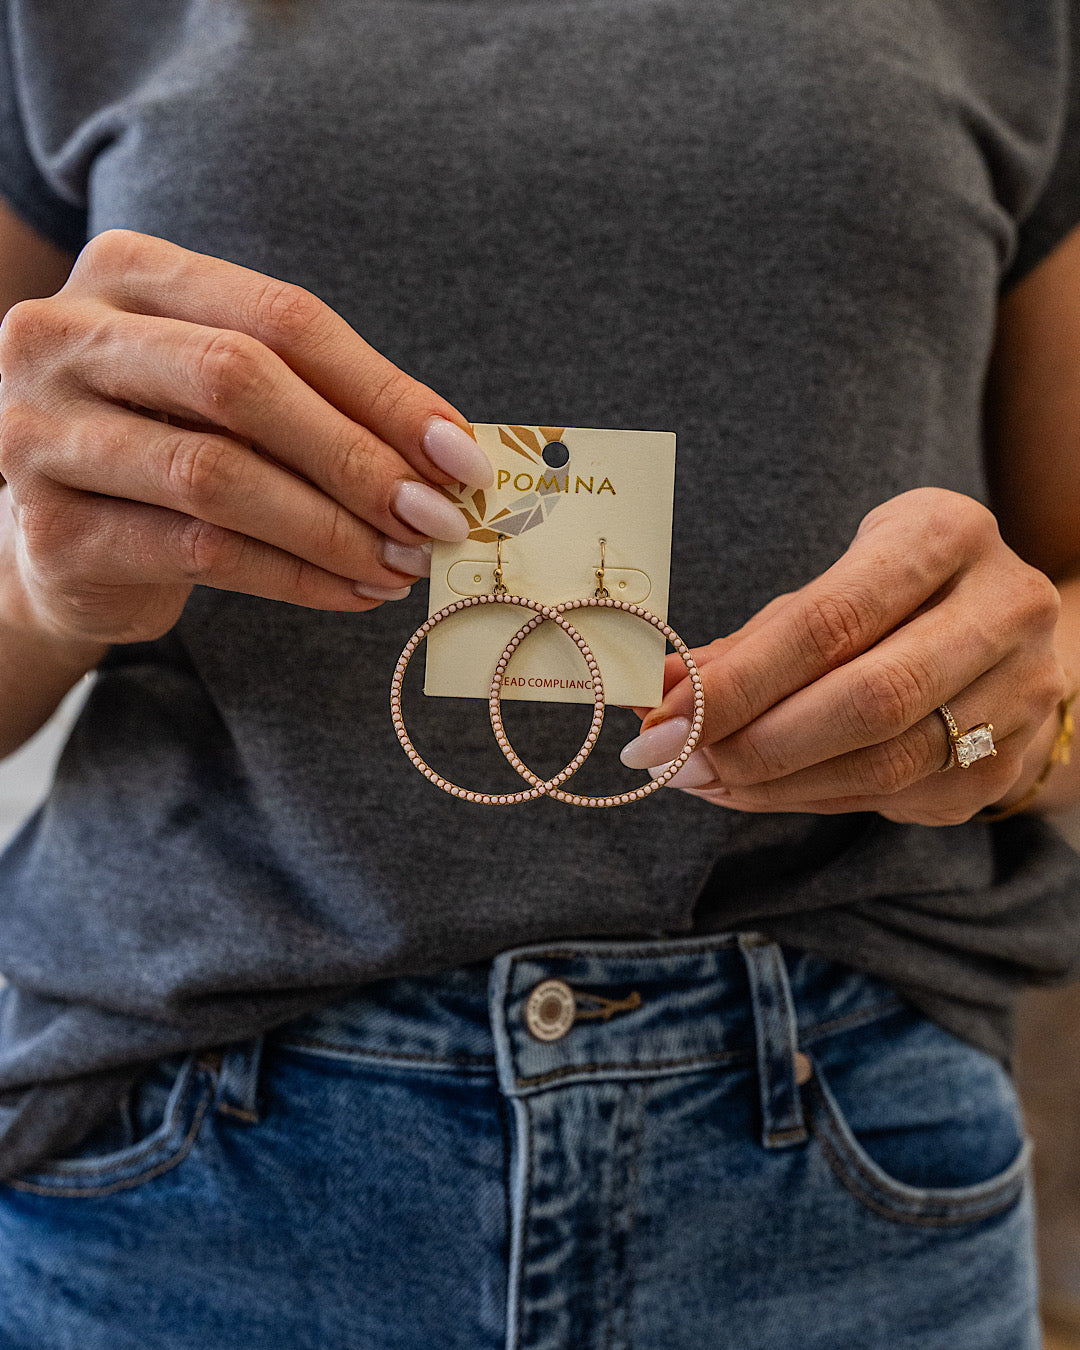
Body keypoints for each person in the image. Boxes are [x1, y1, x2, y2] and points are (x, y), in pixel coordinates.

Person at [0, 0, 1078, 1345]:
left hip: (842, 1146)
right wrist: (43, 584)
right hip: (176, 1172)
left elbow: (1063, 596)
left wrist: (1026, 719)